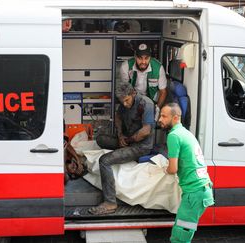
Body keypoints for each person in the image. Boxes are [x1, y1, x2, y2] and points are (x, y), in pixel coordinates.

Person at [88, 83, 155, 215]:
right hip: (126, 139)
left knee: (104, 160)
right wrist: (120, 135)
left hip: (140, 146)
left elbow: (146, 131)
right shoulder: (124, 103)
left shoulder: (146, 104)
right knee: (100, 139)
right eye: (122, 101)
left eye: (126, 100)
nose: (124, 104)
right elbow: (118, 117)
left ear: (133, 94)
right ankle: (122, 142)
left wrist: (127, 140)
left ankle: (110, 202)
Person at [158, 103, 214, 243]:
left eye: (164, 116)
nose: (160, 119)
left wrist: (165, 169)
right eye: (160, 115)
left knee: (180, 236)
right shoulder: (186, 133)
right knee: (181, 230)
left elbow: (173, 169)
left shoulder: (174, 136)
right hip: (202, 190)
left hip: (194, 194)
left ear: (175, 118)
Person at [119, 42, 168, 120]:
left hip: (152, 100)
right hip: (133, 97)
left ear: (150, 57)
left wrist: (157, 108)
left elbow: (163, 91)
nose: (143, 62)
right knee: (125, 115)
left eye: (146, 58)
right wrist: (131, 104)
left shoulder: (158, 68)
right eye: (140, 58)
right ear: (135, 57)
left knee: (148, 123)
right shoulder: (126, 66)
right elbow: (125, 90)